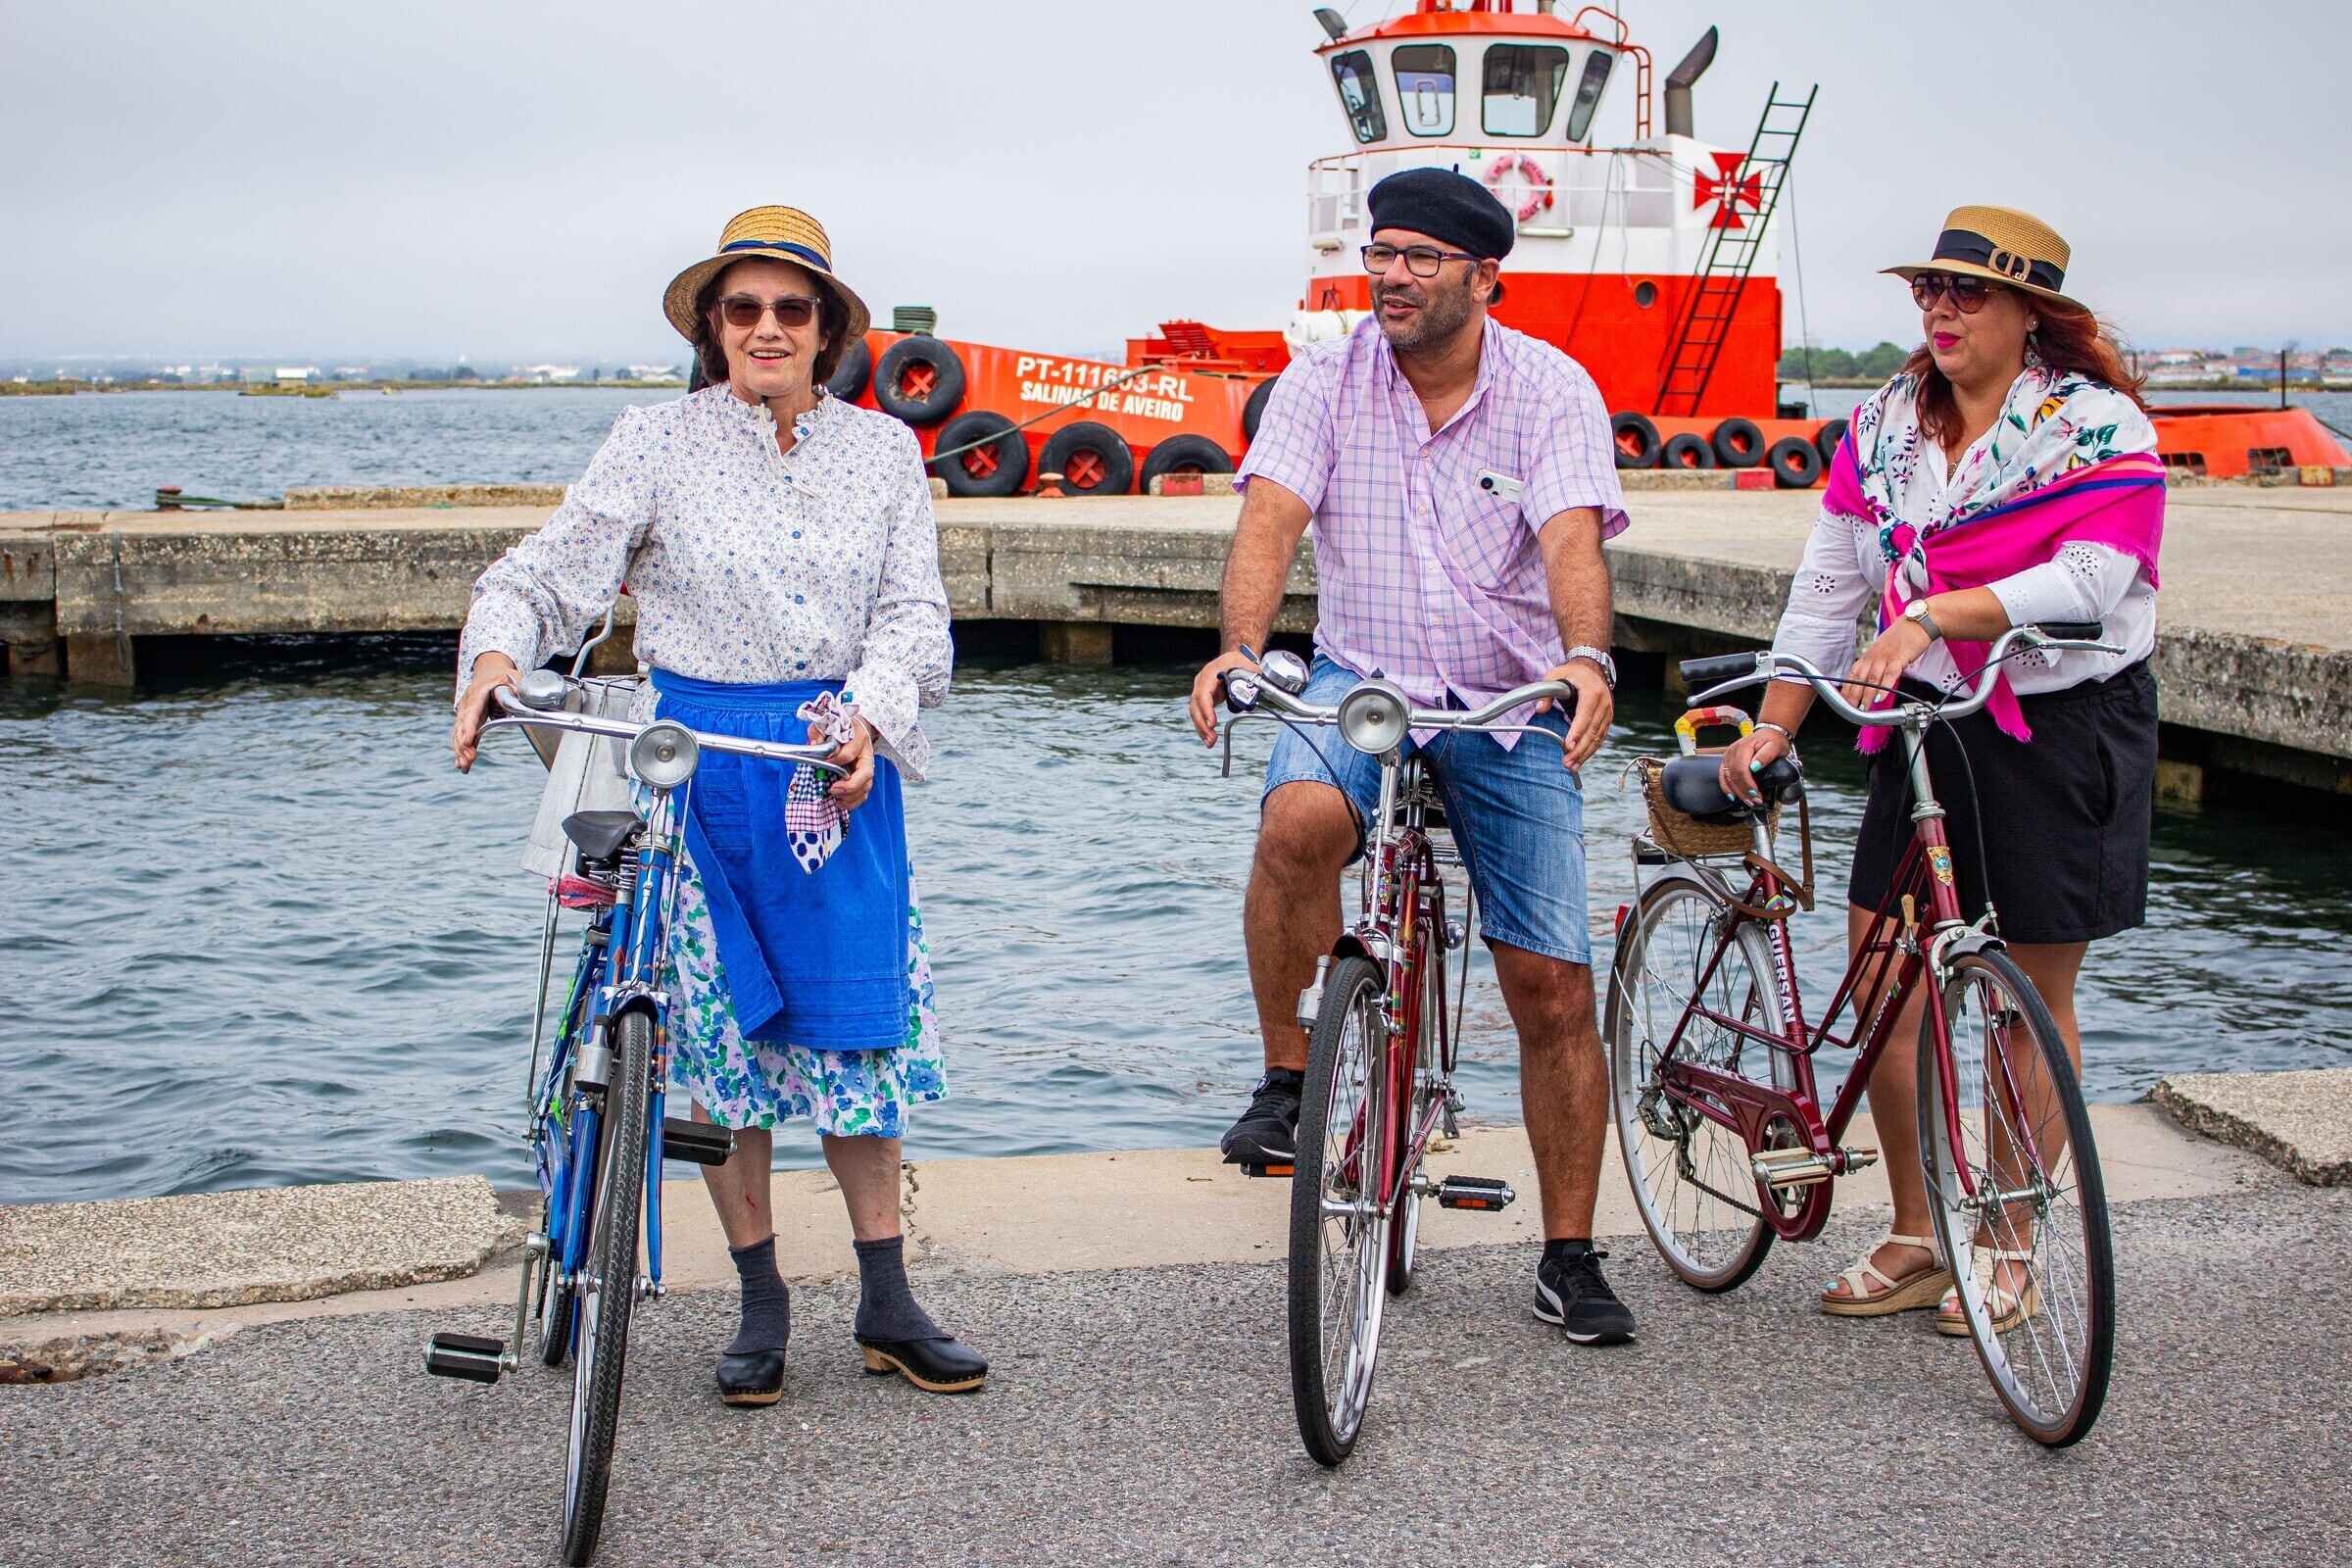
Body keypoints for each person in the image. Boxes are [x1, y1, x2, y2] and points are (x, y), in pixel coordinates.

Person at [450, 206, 985, 1402]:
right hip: (689, 762)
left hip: (831, 764)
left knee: (858, 1032)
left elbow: (914, 620)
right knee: (721, 1046)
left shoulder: (887, 454)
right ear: (711, 327)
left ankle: (888, 1298)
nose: (767, 328)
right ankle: (760, 1298)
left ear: (830, 329)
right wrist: (494, 653)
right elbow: (549, 569)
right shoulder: (652, 441)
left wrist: (874, 712)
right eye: (742, 308)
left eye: (793, 309)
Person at [1189, 168, 1635, 1346]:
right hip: (1362, 678)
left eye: (1420, 257)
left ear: (1487, 276)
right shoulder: (1324, 380)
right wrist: (1240, 651)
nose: (1389, 274)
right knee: (1295, 822)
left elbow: (1572, 539)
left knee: (1551, 983)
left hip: (1505, 699)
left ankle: (1569, 1252)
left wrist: (1586, 657)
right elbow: (1271, 518)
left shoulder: (1552, 388)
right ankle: (1291, 1079)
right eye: (1381, 252)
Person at [1717, 206, 2164, 1333]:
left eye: (1970, 294)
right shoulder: (1881, 426)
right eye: (1930, 291)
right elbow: (1828, 583)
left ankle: (2009, 1232)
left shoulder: (2096, 424)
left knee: (2030, 995)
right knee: (1884, 984)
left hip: (2062, 722)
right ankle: (1920, 1229)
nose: (1943, 311)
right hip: (1928, 726)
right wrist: (1773, 724)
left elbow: (2101, 578)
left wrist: (1934, 614)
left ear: (2032, 315)